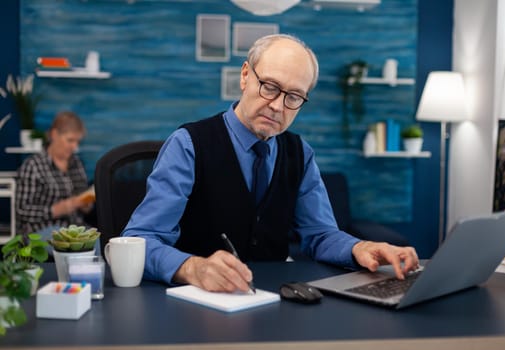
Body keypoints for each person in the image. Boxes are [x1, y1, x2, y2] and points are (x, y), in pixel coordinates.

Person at [123, 34, 419, 292]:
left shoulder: (300, 153)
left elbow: (320, 235)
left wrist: (359, 247)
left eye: (294, 97)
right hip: (193, 305)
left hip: (273, 302)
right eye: (270, 86)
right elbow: (140, 240)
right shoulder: (188, 143)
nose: (277, 105)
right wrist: (191, 268)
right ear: (245, 76)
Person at [15, 111, 94, 244]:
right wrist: (55, 210)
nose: (75, 147)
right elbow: (22, 210)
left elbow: (82, 196)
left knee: (101, 245)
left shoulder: (77, 163)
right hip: (40, 230)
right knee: (70, 248)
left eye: (77, 142)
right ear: (54, 134)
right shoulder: (33, 166)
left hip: (75, 229)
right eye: (70, 140)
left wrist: (85, 203)